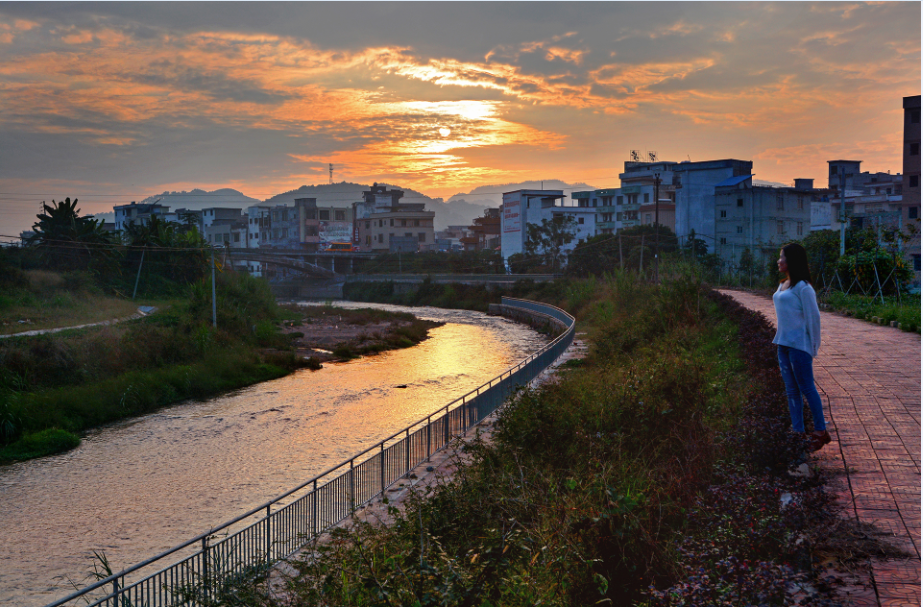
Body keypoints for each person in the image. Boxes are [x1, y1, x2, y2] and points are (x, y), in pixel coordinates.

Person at [772, 242, 830, 452]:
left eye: (783, 257)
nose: (779, 261)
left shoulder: (804, 288)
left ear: (792, 261)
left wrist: (813, 348)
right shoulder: (783, 285)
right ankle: (798, 433)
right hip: (783, 345)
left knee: (806, 388)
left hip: (799, 346)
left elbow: (814, 320)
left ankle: (820, 430)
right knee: (791, 391)